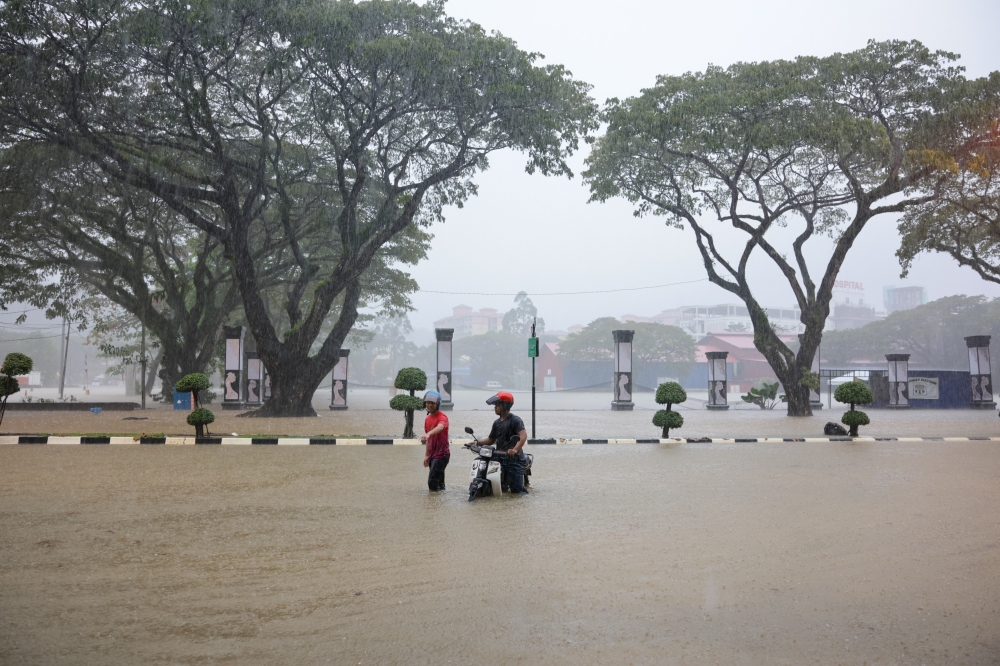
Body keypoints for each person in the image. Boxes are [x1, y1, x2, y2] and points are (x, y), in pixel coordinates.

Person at [477, 391, 528, 494]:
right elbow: (491, 439)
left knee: (517, 491)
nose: (495, 407)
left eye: (497, 405)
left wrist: (514, 450)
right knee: (480, 460)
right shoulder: (496, 423)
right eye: (495, 405)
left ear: (505, 405)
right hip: (498, 456)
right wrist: (477, 443)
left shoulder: (515, 420)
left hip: (513, 459)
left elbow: (523, 436)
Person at [420, 390, 449, 491]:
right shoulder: (427, 419)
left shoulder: (443, 417)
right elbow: (429, 440)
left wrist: (428, 433)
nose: (430, 405)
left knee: (432, 482)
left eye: (432, 403)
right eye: (428, 403)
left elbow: (440, 427)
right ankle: (440, 503)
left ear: (438, 404)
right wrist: (426, 455)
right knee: (439, 484)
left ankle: (432, 505)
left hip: (442, 454)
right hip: (432, 455)